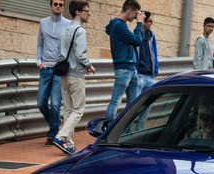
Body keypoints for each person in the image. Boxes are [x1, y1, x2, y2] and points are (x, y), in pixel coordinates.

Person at [52, 0, 96, 155]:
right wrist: (89, 65)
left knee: (68, 110)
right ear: (78, 12)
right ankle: (60, 137)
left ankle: (69, 145)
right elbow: (80, 54)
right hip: (76, 74)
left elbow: (58, 54)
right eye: (87, 10)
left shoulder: (64, 30)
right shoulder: (80, 31)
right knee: (78, 110)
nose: (89, 13)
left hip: (63, 74)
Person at [36, 0, 71, 146]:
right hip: (45, 68)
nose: (58, 7)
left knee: (56, 103)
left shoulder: (68, 24)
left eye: (61, 5)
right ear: (51, 6)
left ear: (63, 7)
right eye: (55, 4)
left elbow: (69, 45)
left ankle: (52, 134)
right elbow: (40, 44)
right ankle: (55, 121)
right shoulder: (43, 22)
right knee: (41, 103)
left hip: (58, 69)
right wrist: (39, 61)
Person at [105, 0, 145, 119]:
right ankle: (107, 132)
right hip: (123, 69)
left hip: (131, 68)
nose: (135, 17)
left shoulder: (120, 25)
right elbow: (137, 40)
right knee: (115, 101)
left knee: (132, 104)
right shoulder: (118, 25)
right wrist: (139, 24)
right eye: (134, 14)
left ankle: (125, 132)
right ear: (129, 11)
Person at [133, 11, 158, 130]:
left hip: (150, 76)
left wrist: (155, 73)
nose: (151, 24)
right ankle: (127, 132)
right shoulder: (135, 34)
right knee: (133, 107)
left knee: (147, 108)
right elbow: (133, 54)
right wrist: (136, 74)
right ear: (143, 22)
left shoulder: (151, 36)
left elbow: (155, 54)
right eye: (150, 21)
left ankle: (139, 131)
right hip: (139, 76)